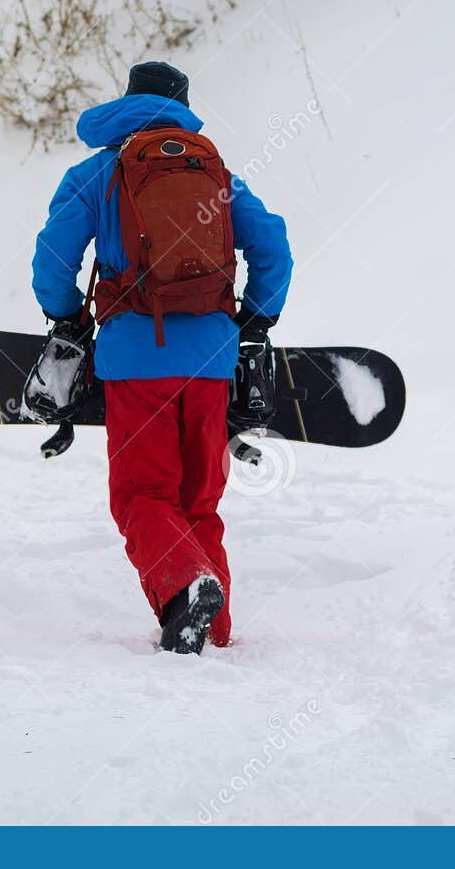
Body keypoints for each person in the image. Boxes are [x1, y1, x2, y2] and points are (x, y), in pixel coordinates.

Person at [31, 62, 292, 654]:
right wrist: (254, 319)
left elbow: (53, 257)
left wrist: (68, 316)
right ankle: (211, 634)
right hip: (214, 360)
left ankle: (185, 588)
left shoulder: (98, 172)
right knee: (198, 500)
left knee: (142, 497)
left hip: (135, 361)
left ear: (129, 101)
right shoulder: (216, 171)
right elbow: (274, 245)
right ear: (181, 104)